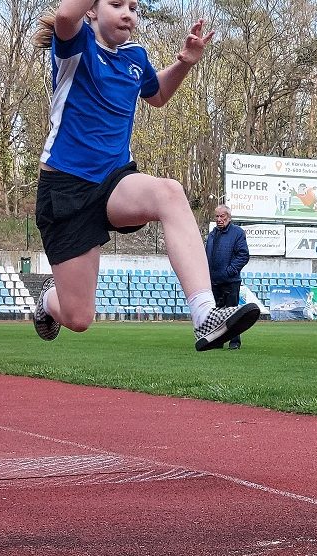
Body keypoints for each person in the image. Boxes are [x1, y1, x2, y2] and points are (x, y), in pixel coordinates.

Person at [30, 0, 259, 351]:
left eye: (134, 8)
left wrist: (185, 62)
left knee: (169, 192)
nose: (128, 13)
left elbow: (159, 95)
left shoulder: (135, 56)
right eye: (116, 4)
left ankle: (205, 314)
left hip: (114, 181)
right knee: (78, 317)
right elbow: (64, 15)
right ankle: (48, 300)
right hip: (66, 188)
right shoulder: (75, 45)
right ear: (91, 10)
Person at [205, 204, 250, 349]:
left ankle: (234, 342)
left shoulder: (237, 233)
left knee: (232, 313)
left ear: (229, 217)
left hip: (230, 281)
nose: (219, 219)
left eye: (222, 216)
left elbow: (243, 255)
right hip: (214, 281)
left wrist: (229, 271)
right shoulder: (212, 234)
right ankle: (218, 341)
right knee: (216, 314)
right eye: (217, 216)